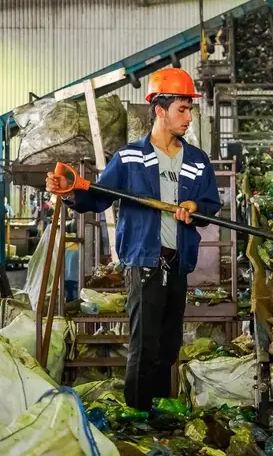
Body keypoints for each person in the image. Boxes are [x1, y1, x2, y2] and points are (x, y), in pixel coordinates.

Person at [46, 67, 222, 412]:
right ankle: (139, 413)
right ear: (160, 110)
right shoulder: (129, 157)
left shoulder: (198, 161)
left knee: (170, 344)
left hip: (178, 260)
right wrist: (67, 194)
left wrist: (194, 206)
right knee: (144, 344)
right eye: (182, 110)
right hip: (144, 260)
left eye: (190, 110)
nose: (188, 117)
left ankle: (158, 409)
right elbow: (96, 197)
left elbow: (210, 205)